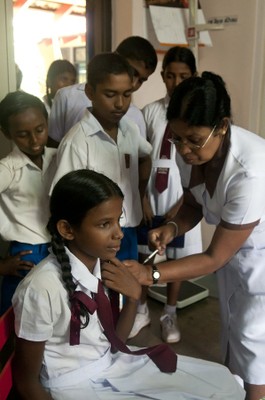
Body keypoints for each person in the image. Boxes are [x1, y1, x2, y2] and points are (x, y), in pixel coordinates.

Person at [12, 169, 245, 399]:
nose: (119, 234)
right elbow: (26, 382)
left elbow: (116, 342)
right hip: (75, 386)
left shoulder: (103, 267)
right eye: (105, 224)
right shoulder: (41, 289)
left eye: (118, 221)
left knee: (222, 382)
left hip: (111, 364)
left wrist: (134, 297)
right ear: (67, 229)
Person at [114, 72, 265, 400]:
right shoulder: (192, 153)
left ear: (222, 126)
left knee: (255, 348)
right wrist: (172, 227)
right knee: (233, 337)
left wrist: (149, 273)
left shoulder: (250, 171)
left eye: (193, 139)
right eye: (178, 138)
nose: (184, 149)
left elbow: (214, 257)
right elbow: (195, 201)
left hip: (259, 266)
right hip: (235, 263)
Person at [129, 46, 202, 342]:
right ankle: (143, 310)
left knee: (175, 259)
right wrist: (142, 196)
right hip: (151, 193)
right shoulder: (150, 112)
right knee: (145, 253)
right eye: (170, 76)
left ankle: (170, 312)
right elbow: (141, 157)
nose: (176, 82)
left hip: (180, 194)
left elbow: (199, 163)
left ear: (193, 77)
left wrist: (183, 203)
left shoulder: (198, 115)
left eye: (183, 76)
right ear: (162, 77)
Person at [51, 52, 152, 264]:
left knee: (128, 290)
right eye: (110, 94)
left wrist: (140, 195)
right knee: (99, 294)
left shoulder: (130, 129)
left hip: (128, 232)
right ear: (90, 92)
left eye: (127, 94)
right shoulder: (77, 142)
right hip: (95, 240)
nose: (120, 104)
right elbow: (62, 198)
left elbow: (145, 156)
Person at [0, 91, 57, 314]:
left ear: (47, 122)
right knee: (17, 317)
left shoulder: (58, 156)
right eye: (23, 134)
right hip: (26, 256)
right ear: (6, 133)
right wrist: (1, 265)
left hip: (60, 248)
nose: (34, 141)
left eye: (40, 130)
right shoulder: (8, 169)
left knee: (50, 314)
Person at [47, 36, 158, 146]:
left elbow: (141, 158)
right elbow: (53, 149)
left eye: (141, 81)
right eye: (133, 72)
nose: (133, 84)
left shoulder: (136, 116)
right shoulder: (67, 97)